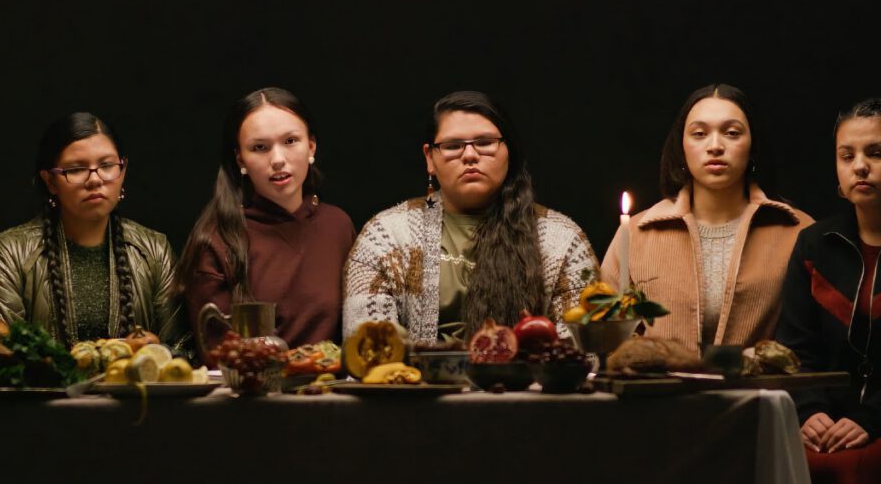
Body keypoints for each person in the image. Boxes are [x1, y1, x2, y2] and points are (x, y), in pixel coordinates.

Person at [344, 90, 597, 342]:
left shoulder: (562, 241)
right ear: (430, 158)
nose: (470, 155)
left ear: (508, 150)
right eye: (453, 146)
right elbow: (365, 344)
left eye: (485, 143)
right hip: (413, 381)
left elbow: (581, 349)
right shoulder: (385, 236)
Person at [601, 84, 812, 354]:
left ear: (753, 146)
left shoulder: (798, 231)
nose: (715, 146)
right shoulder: (638, 233)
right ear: (681, 147)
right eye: (699, 134)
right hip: (659, 393)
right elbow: (605, 331)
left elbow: (810, 343)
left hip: (759, 393)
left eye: (732, 133)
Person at [0, 112, 189, 353]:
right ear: (50, 181)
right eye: (76, 169)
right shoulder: (8, 254)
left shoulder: (155, 250)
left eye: (107, 166)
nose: (95, 179)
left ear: (123, 170)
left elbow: (181, 349)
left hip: (132, 391)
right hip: (46, 391)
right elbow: (0, 355)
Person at [177, 88, 355, 348]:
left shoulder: (338, 226)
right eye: (259, 147)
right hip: (251, 387)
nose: (278, 160)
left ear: (311, 146)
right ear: (241, 159)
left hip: (331, 387)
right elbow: (217, 356)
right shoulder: (216, 239)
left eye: (290, 141)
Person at [777, 98, 881, 482]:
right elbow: (793, 346)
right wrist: (808, 412)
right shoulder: (814, 245)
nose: (860, 166)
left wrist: (871, 417)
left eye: (876, 152)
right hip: (824, 424)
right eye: (846, 155)